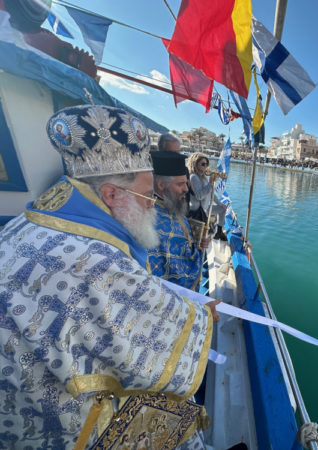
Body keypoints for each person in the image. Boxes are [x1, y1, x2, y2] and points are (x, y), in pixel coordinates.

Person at [0, 105, 219, 449]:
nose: (152, 205)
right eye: (148, 195)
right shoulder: (96, 260)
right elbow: (149, 341)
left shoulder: (38, 214)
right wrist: (204, 317)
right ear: (111, 195)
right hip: (61, 422)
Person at [148, 151, 209, 291]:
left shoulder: (172, 204)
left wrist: (196, 244)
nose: (186, 190)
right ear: (161, 184)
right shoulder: (149, 220)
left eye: (186, 184)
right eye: (180, 184)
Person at [186, 152, 228, 240]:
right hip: (198, 211)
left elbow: (211, 193)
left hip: (205, 209)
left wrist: (220, 204)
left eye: (206, 164)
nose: (205, 166)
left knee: (223, 209)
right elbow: (199, 196)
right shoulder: (194, 177)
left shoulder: (203, 177)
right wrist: (210, 183)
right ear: (195, 164)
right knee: (201, 238)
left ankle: (219, 232)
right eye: (203, 164)